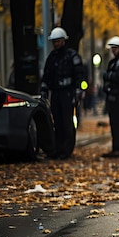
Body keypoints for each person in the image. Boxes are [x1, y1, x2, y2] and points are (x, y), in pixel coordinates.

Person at [40, 27, 85, 160]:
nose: (56, 44)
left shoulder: (72, 56)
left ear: (64, 41)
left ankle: (67, 150)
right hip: (56, 93)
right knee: (57, 122)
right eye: (54, 41)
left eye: (58, 41)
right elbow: (46, 76)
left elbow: (80, 76)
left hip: (67, 93)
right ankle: (58, 149)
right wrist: (43, 90)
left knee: (67, 122)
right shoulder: (51, 58)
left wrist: (78, 92)